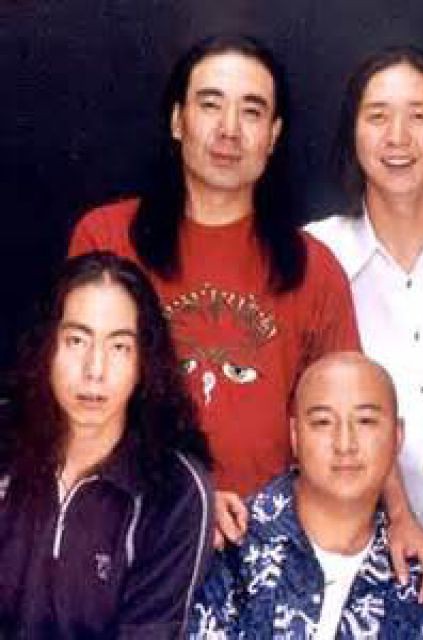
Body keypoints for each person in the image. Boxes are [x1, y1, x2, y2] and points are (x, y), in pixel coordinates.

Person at [68, 35, 360, 540]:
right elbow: (73, 399)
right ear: (177, 120)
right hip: (127, 527)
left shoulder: (313, 266)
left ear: (273, 135)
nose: (229, 129)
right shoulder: (107, 239)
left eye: (251, 111)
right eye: (210, 104)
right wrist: (189, 498)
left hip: (266, 536)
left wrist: (399, 513)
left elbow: (344, 415)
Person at [306, 46, 423, 634]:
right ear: (354, 133)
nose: (398, 137)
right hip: (344, 541)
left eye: (419, 115)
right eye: (378, 116)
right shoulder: (314, 255)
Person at [0, 251, 213, 638]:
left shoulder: (176, 490)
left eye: (119, 347)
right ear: (47, 347)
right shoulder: (6, 443)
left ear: (143, 362)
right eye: (76, 341)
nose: (94, 370)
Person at [189, 352, 423, 639]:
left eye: (365, 421)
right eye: (323, 422)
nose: (345, 444)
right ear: (295, 435)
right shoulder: (229, 542)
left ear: (397, 436)